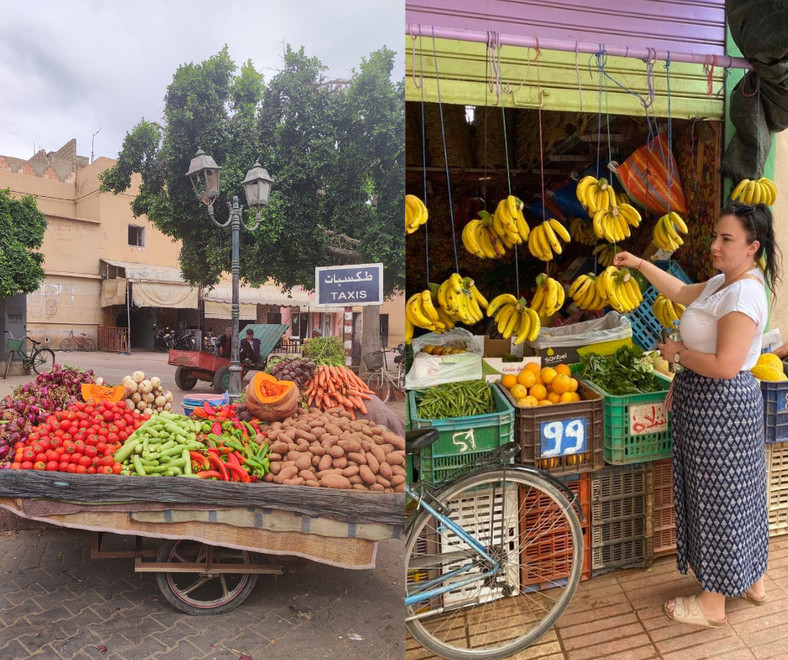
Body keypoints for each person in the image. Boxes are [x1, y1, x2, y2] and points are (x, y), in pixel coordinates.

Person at [613, 203, 781, 628]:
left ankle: (712, 603)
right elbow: (680, 292)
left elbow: (725, 364)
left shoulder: (743, 293)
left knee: (716, 502)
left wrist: (678, 354)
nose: (714, 246)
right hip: (717, 405)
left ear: (752, 247)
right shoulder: (728, 282)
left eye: (727, 239)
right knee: (740, 495)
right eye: (715, 236)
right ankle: (751, 579)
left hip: (718, 406)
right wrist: (638, 263)